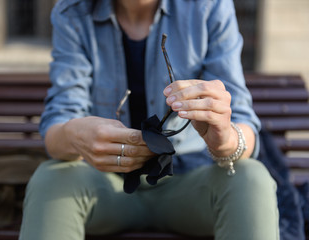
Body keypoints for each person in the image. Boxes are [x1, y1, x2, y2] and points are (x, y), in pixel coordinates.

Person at [19, 0, 279, 239]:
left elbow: (243, 122)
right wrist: (74, 135)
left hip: (191, 181)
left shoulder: (207, 7)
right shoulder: (73, 12)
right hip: (104, 183)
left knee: (251, 178)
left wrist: (226, 141)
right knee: (51, 178)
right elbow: (59, 124)